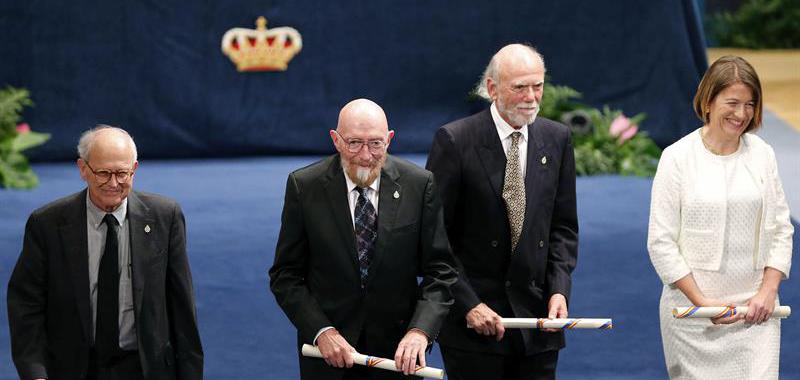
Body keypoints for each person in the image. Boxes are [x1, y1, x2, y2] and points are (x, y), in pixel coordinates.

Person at [269, 98, 458, 379]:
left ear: (390, 139)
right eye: (354, 143)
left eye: (376, 143)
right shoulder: (304, 187)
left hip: (397, 356)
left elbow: (440, 272)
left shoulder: (419, 185)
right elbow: (285, 275)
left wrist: (420, 331)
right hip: (329, 356)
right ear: (335, 140)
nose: (366, 155)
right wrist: (321, 331)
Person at [426, 44, 579, 380]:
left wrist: (558, 290)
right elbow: (434, 238)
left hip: (537, 325)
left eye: (537, 86)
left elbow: (563, 229)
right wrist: (468, 304)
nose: (531, 97)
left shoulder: (557, 139)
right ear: (493, 89)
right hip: (475, 327)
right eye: (519, 87)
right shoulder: (455, 141)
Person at [7, 126, 204, 380]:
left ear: (134, 169)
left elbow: (183, 310)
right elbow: (26, 305)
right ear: (82, 169)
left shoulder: (165, 218)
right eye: (103, 173)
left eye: (122, 173)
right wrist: (35, 372)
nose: (113, 183)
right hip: (74, 368)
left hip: (146, 369)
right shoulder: (47, 224)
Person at [647, 56, 793, 379]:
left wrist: (768, 292)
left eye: (750, 104)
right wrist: (702, 302)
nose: (742, 114)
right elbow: (660, 242)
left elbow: (781, 229)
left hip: (755, 314)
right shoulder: (676, 158)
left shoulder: (763, 154)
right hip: (693, 316)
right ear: (709, 101)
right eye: (733, 103)